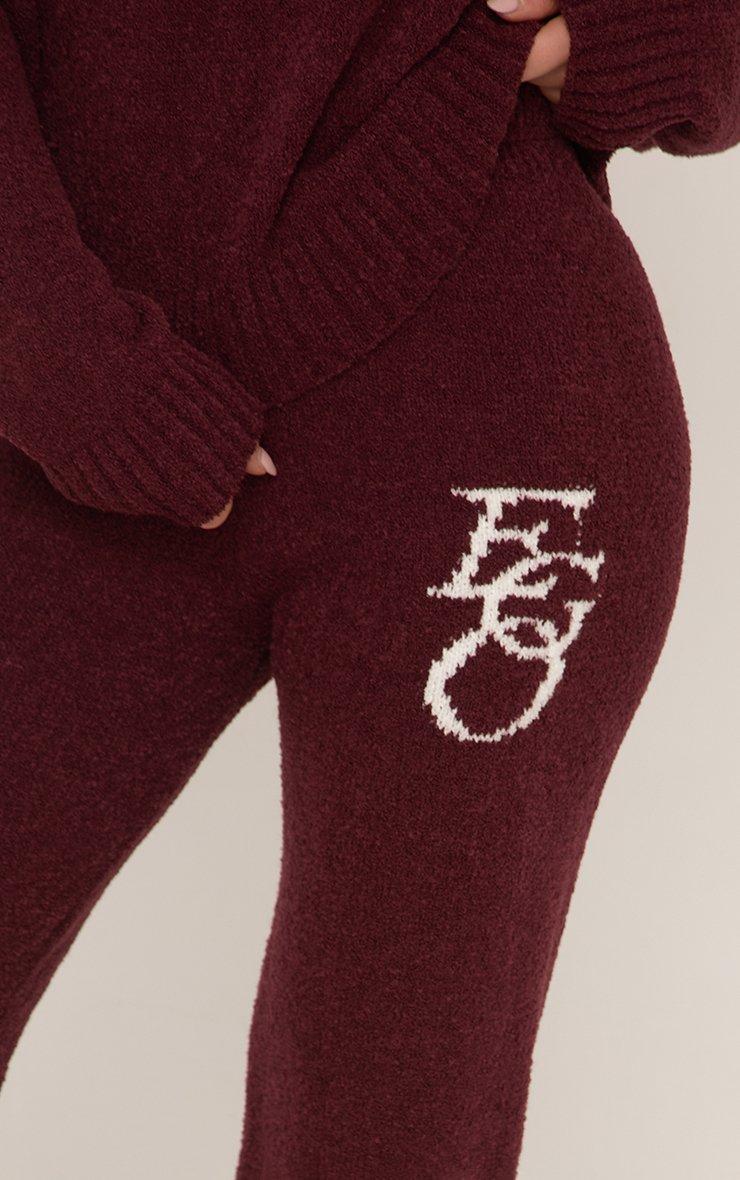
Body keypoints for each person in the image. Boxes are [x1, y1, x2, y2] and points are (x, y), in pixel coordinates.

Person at [0, 0, 737, 1175]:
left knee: (384, 1136)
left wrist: (658, 26)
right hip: (67, 408)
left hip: (504, 434)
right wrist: (63, 366)